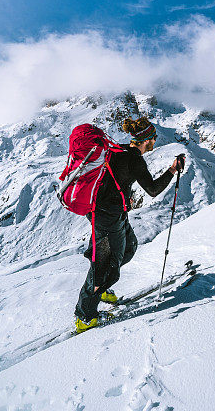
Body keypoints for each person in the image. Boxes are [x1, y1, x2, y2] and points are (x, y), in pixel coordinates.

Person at [74, 117, 185, 333]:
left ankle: (103, 288)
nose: (155, 141)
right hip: (106, 217)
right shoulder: (135, 160)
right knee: (103, 266)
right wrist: (172, 171)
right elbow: (152, 190)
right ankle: (84, 317)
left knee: (129, 247)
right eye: (153, 137)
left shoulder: (119, 150)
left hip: (113, 214)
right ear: (146, 140)